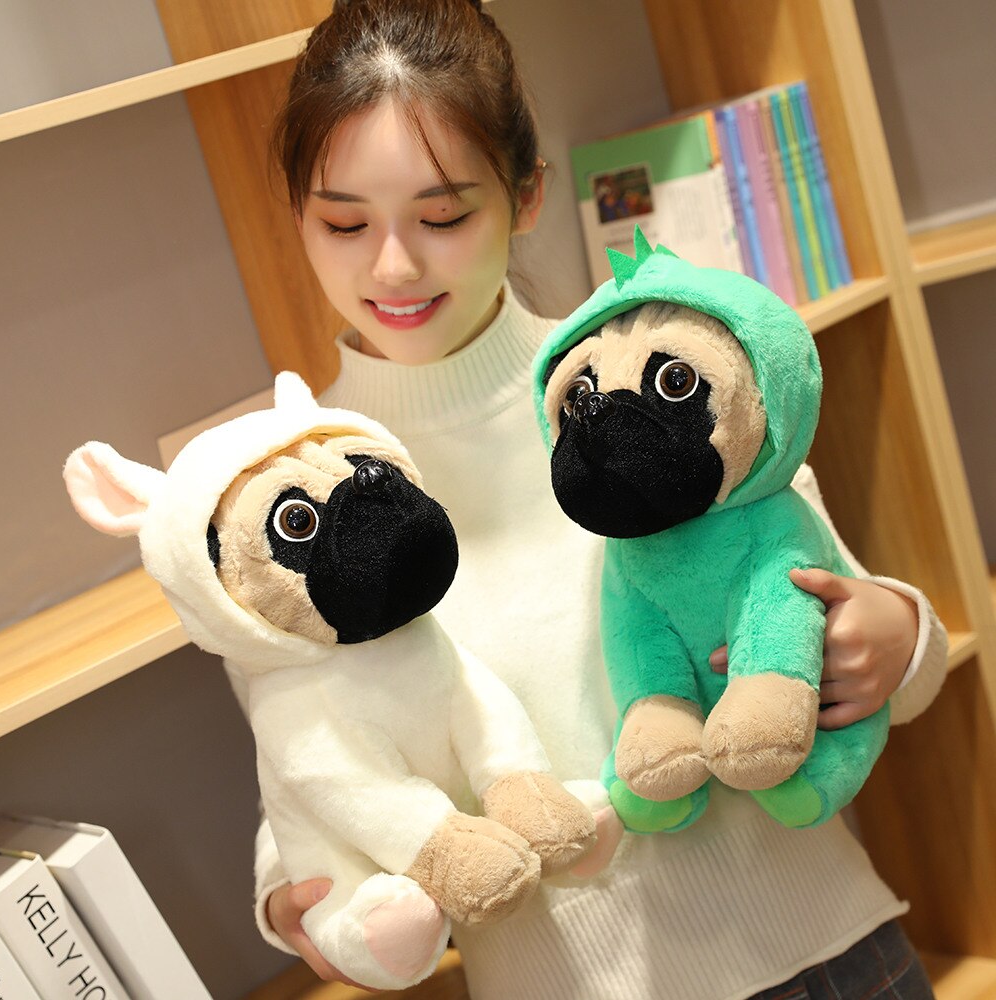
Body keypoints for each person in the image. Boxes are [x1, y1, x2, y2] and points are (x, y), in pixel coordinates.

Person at [237, 1, 947, 996]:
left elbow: (867, 628)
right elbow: (308, 760)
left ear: (525, 193)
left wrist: (895, 633)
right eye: (344, 222)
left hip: (822, 957)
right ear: (297, 215)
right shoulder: (284, 492)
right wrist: (288, 895)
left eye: (443, 216)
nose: (392, 264)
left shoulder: (638, 367)